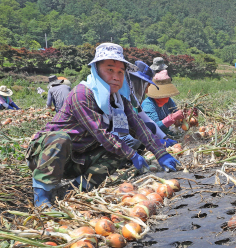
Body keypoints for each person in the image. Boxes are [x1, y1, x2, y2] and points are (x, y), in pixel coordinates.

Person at [26, 43, 180, 208]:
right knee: (61, 139)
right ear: (96, 70)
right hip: (48, 156)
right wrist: (133, 155)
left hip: (79, 157)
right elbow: (102, 134)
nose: (116, 76)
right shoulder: (82, 94)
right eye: (110, 70)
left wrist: (160, 153)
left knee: (121, 151)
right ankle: (42, 195)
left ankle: (75, 189)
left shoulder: (119, 99)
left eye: (120, 72)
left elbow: (139, 125)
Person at [124, 60, 176, 148]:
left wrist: (165, 137)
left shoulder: (134, 100)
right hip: (119, 139)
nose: (147, 90)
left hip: (132, 135)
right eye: (146, 86)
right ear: (138, 82)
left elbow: (148, 120)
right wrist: (154, 142)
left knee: (149, 126)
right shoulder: (124, 98)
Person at [142, 70, 195, 137]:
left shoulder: (168, 100)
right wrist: (172, 117)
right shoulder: (148, 104)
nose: (168, 96)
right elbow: (154, 127)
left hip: (166, 133)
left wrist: (187, 114)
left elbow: (177, 113)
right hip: (154, 137)